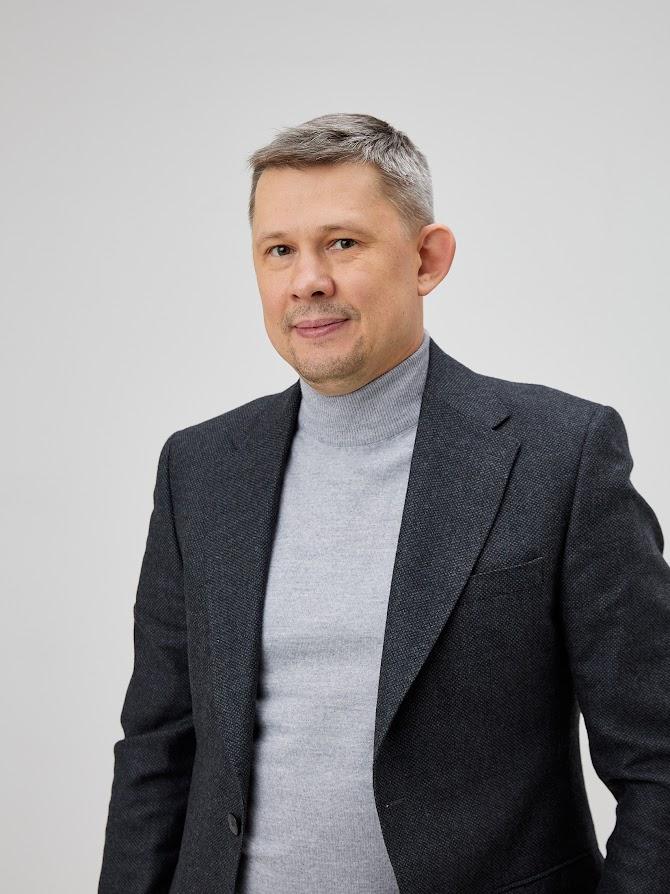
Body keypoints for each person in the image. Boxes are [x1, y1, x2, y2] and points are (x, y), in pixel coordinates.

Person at [98, 113, 670, 894]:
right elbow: (156, 751)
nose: (307, 281)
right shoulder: (199, 469)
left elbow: (658, 759)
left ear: (427, 258)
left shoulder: (560, 456)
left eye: (342, 243)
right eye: (279, 250)